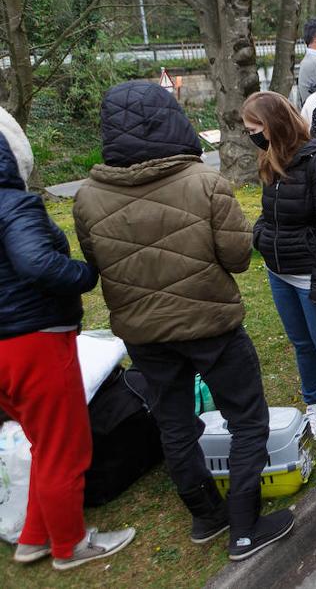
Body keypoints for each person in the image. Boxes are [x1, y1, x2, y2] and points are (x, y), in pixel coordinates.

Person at [73, 82, 294, 560]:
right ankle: (243, 524)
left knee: (174, 423)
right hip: (211, 322)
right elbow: (237, 257)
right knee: (248, 420)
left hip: (143, 332)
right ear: (172, 120)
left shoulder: (88, 196)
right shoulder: (203, 182)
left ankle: (205, 513)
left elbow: (95, 263)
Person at [0, 108, 135, 571]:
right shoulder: (13, 206)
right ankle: (71, 546)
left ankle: (34, 537)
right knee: (65, 446)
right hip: (31, 340)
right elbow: (37, 263)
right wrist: (83, 274)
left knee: (42, 441)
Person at [243, 92, 316, 445]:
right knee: (302, 343)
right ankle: (314, 403)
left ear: (275, 123)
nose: (251, 134)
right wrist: (262, 237)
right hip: (280, 273)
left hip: (310, 277)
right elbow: (268, 213)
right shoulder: (271, 159)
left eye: (255, 127)